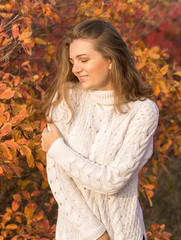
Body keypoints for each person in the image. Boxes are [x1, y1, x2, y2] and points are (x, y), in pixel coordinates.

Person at [41, 19, 158, 240]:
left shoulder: (143, 112)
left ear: (111, 60)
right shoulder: (66, 98)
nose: (75, 69)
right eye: (72, 61)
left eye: (84, 60)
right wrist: (96, 233)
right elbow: (58, 179)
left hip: (124, 234)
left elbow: (112, 182)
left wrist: (57, 148)